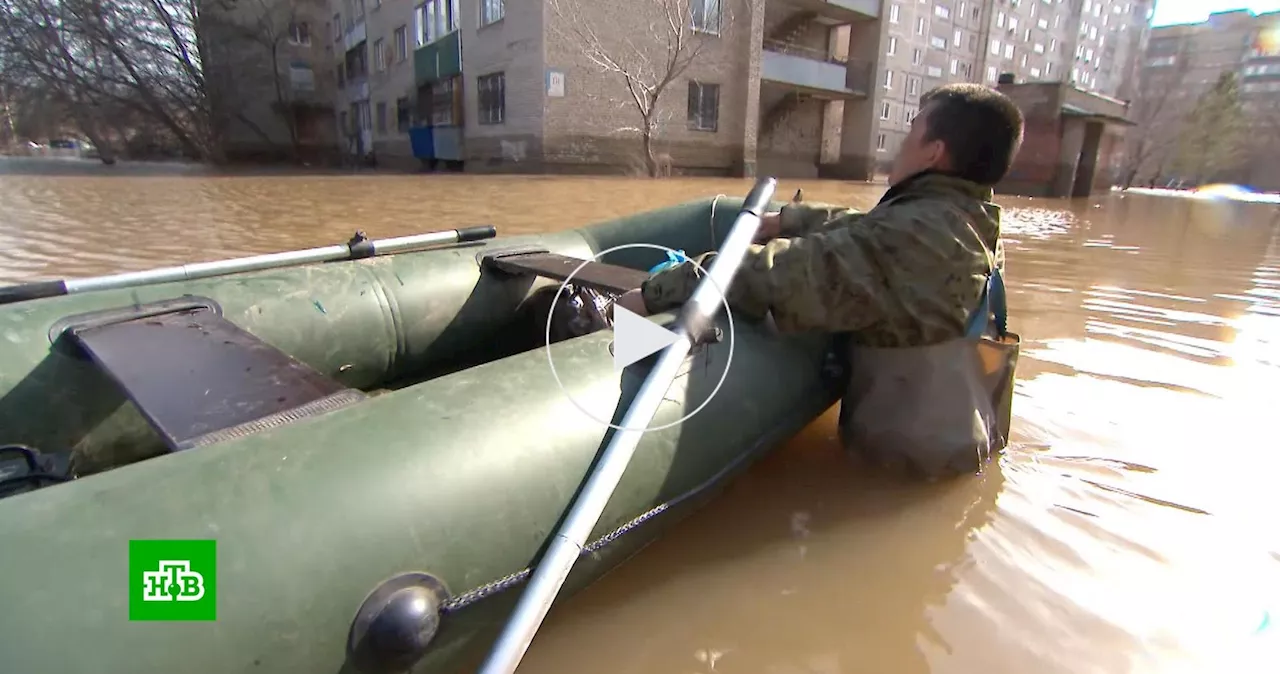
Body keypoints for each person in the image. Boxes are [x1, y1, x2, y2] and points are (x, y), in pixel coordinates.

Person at [614, 82, 1025, 477]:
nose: (901, 142)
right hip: (960, 447)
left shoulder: (911, 241)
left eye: (912, 131)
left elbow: (774, 274)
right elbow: (865, 226)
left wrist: (653, 293)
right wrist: (787, 219)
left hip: (903, 471)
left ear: (933, 153)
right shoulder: (967, 221)